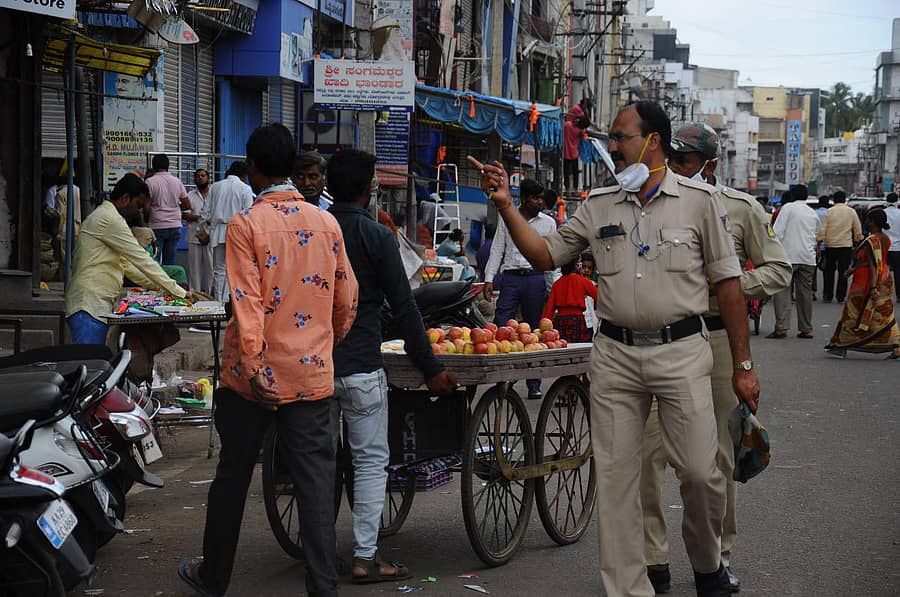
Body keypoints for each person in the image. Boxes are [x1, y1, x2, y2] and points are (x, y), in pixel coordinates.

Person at [469, 100, 760, 597]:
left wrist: (743, 366)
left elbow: (729, 286)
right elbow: (543, 255)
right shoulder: (599, 204)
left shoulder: (699, 201)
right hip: (615, 357)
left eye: (622, 137)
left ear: (653, 142)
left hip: (683, 351)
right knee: (618, 478)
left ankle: (707, 563)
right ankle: (629, 588)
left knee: (699, 471)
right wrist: (505, 204)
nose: (613, 148)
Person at [178, 123, 358, 597]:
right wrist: (326, 344)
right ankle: (323, 587)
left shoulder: (246, 225)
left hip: (248, 379)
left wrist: (258, 368)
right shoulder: (326, 223)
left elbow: (246, 301)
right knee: (316, 486)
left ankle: (213, 577)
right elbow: (347, 299)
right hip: (311, 376)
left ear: (253, 168)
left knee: (233, 478)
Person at [645, 122, 790, 593]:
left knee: (716, 458)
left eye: (685, 161)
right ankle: (653, 560)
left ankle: (717, 558)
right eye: (671, 159)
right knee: (647, 454)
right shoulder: (650, 200)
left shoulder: (740, 208)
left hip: (718, 339)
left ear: (709, 165)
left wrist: (728, 287)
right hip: (658, 340)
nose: (676, 168)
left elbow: (778, 268)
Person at [327, 149, 457, 584]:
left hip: (314, 367)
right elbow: (404, 309)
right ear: (369, 189)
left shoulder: (315, 230)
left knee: (318, 462)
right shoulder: (376, 236)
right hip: (362, 364)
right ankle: (365, 557)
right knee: (368, 463)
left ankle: (318, 550)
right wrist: (432, 366)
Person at [64, 173, 187, 344]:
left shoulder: (106, 217)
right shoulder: (110, 219)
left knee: (96, 363)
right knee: (91, 365)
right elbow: (141, 259)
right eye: (138, 205)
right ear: (124, 198)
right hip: (88, 304)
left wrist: (163, 289)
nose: (139, 211)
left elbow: (128, 266)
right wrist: (178, 292)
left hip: (95, 304)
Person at [483, 177, 557, 400]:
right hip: (511, 278)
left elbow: (553, 256)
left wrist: (553, 287)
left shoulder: (548, 223)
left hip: (535, 278)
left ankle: (534, 382)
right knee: (503, 324)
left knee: (534, 329)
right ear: (523, 199)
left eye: (541, 198)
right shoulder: (508, 218)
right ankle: (506, 377)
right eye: (535, 198)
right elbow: (497, 249)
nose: (540, 202)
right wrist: (488, 278)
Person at [825, 208, 900, 359]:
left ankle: (841, 345)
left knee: (852, 313)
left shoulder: (872, 240)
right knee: (883, 315)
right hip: (884, 280)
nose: (866, 222)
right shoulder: (885, 238)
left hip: (866, 283)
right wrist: (851, 271)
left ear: (872, 222)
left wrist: (872, 287)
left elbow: (873, 265)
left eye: (867, 220)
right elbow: (869, 261)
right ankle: (896, 346)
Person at [766, 185, 820, 339]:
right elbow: (816, 234)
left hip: (788, 256)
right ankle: (806, 328)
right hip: (808, 258)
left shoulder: (788, 208)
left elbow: (776, 232)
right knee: (805, 294)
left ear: (792, 195)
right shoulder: (812, 212)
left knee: (782, 291)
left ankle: (782, 327)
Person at [201, 161, 254, 302]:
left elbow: (205, 212)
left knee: (219, 269)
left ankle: (220, 302)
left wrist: (207, 228)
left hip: (218, 231)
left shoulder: (215, 187)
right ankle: (233, 302)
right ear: (243, 175)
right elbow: (248, 214)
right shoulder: (245, 188)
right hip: (237, 232)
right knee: (236, 269)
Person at [818, 190, 863, 303]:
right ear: (844, 200)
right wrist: (858, 241)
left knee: (829, 271)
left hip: (830, 245)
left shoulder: (829, 212)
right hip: (845, 245)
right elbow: (857, 229)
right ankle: (840, 296)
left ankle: (828, 295)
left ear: (834, 200)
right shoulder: (851, 212)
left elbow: (822, 229)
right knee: (843, 271)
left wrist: (819, 242)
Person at [145, 154, 191, 265]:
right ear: (168, 165)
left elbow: (146, 207)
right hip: (175, 225)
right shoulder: (177, 181)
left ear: (154, 166)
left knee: (154, 262)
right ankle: (169, 281)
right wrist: (174, 208)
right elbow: (187, 204)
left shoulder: (150, 182)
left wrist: (147, 219)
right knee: (170, 262)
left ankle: (156, 282)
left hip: (157, 225)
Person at [541, 260, 598, 342]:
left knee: (562, 348)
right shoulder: (583, 281)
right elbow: (599, 297)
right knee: (578, 350)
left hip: (560, 320)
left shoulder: (557, 284)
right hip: (577, 320)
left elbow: (549, 309)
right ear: (576, 266)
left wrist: (544, 328)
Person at [185, 168, 213, 293]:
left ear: (208, 178)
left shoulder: (214, 193)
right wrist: (201, 218)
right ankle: (195, 295)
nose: (200, 178)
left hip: (211, 237)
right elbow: (184, 214)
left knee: (211, 269)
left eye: (203, 175)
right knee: (194, 270)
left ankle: (210, 295)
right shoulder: (190, 195)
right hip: (194, 236)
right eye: (198, 176)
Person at [563, 101, 589, 191]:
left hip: (565, 152)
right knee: (575, 172)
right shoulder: (580, 131)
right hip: (574, 153)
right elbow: (585, 128)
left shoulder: (567, 126)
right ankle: (575, 188)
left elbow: (567, 122)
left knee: (565, 171)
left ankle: (566, 188)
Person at [884, 192, 900, 301]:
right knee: (898, 272)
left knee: (883, 271)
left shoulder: (882, 213)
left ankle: (883, 294)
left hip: (884, 247)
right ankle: (899, 295)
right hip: (898, 248)